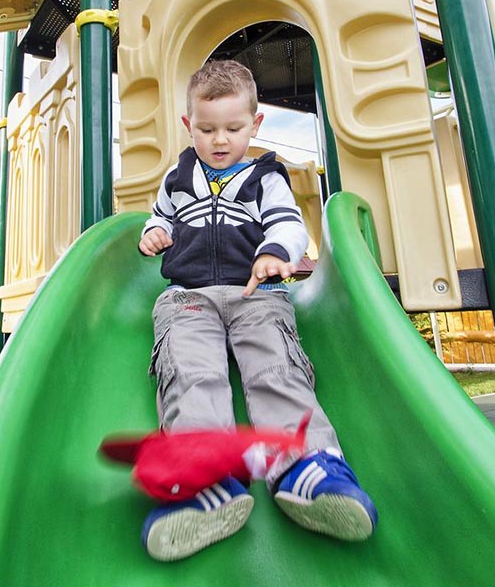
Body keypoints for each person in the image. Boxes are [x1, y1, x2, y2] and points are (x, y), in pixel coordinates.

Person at [137, 59, 377, 562]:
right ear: (188, 126)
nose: (220, 139)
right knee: (190, 370)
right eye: (206, 129)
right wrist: (154, 234)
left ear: (256, 124)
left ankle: (306, 464)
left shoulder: (265, 177)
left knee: (274, 365)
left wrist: (276, 252)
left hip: (255, 294)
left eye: (233, 128)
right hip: (189, 297)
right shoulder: (177, 177)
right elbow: (158, 219)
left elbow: (289, 226)